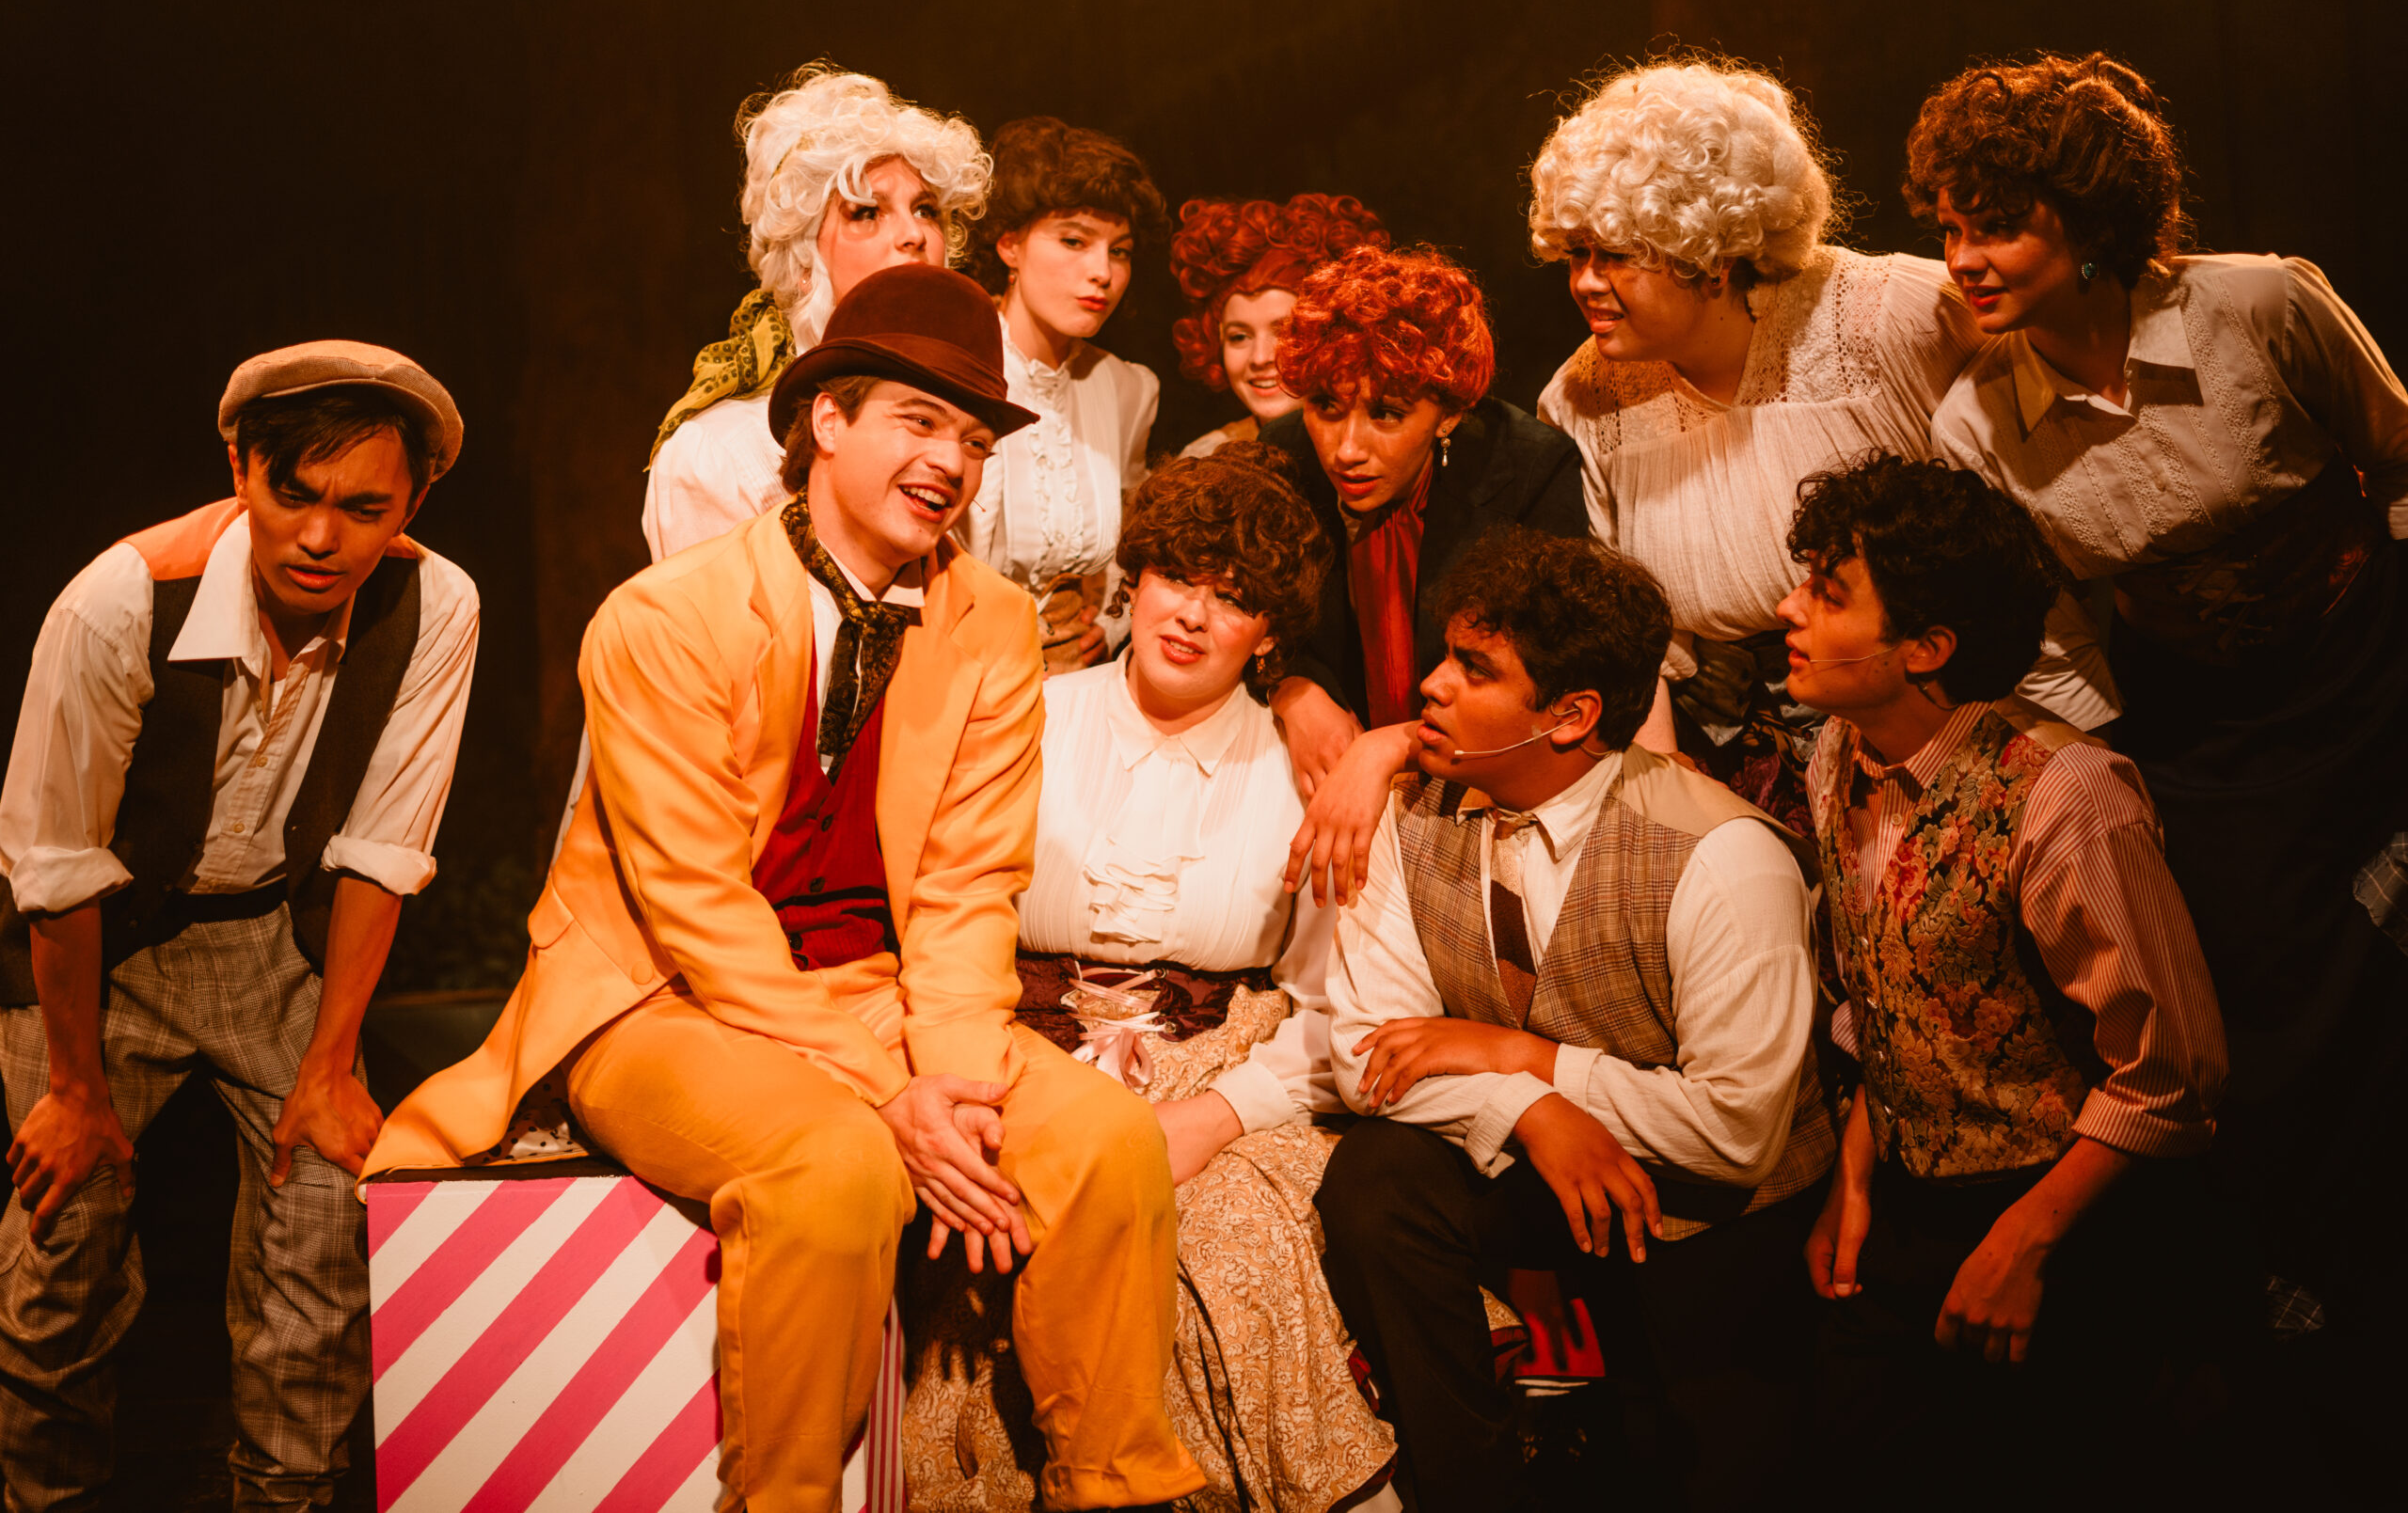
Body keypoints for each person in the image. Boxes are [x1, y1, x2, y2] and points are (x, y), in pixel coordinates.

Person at [365, 266, 1203, 1513]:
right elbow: (697, 908)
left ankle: (1117, 1490)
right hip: (660, 1000)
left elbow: (970, 884)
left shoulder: (988, 625)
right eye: (918, 422)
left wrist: (951, 1080)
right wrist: (889, 1094)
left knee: (1110, 1143)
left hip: (881, 993)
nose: (950, 462)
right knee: (835, 1165)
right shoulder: (664, 616)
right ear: (828, 420)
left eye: (974, 441)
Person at [1909, 52, 2408, 1382]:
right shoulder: (1976, 417)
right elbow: (2052, 630)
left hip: (2372, 659)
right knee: (2255, 972)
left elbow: (2396, 452)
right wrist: (2115, 756)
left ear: (2090, 221)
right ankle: (2319, 1266)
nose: (1963, 259)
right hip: (2197, 720)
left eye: (1996, 226)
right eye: (1948, 228)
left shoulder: (2260, 303)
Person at [0, 343, 480, 1510]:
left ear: (412, 504)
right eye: (293, 494)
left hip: (273, 938)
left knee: (322, 1226)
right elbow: (56, 866)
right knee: (62, 1246)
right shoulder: (121, 598)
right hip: (103, 945)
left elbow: (381, 849)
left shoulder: (435, 604)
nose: (320, 538)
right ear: (239, 470)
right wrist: (73, 1088)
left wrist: (330, 1069)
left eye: (363, 509)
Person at [906, 450, 1396, 1512]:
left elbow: (1336, 1005)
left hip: (1217, 1074)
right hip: (1011, 1057)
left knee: (1216, 1241)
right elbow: (935, 920)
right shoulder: (1025, 715)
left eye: (1234, 597)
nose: (1192, 615)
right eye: (1178, 577)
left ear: (1269, 633)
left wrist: (1213, 1117)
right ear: (1137, 579)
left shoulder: (1305, 771)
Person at [1315, 528, 1835, 1512]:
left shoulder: (1721, 856)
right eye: (1446, 656)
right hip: (1535, 1165)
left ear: (1570, 716)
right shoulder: (1407, 811)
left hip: (1708, 1208)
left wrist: (1530, 1058)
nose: (1429, 685)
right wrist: (1529, 1109)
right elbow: (1364, 1057)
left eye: (1474, 669)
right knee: (1376, 1180)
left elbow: (1734, 1131)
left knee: (1699, 1465)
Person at [1775, 453, 2226, 1487]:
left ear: (1927, 647)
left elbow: (2173, 1072)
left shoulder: (2066, 796)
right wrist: (1855, 1184)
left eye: (1828, 593)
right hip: (1910, 1201)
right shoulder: (1834, 752)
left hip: (2064, 1212)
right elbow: (1885, 999)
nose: (1787, 609)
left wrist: (2026, 1242)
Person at [1525, 57, 2106, 837]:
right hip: (1731, 763)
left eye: (1618, 255)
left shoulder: (1893, 318)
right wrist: (1666, 787)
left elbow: (2039, 516)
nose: (1586, 282)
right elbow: (1624, 628)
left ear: (1711, 254)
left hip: (1965, 723)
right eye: (1575, 254)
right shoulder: (1582, 401)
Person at [1259, 244, 1587, 908]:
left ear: (1451, 411)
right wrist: (1293, 688)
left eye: (1386, 413)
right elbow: (1252, 613)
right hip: (1327, 788)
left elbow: (1540, 680)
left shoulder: (1529, 466)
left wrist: (1392, 747)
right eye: (1326, 406)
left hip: (1490, 791)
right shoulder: (1285, 452)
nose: (1347, 449)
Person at [643, 63, 991, 560]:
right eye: (867, 212)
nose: (914, 234)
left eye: (926, 210)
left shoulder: (959, 429)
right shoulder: (718, 455)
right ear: (803, 262)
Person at [958, 117, 1168, 674]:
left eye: (1120, 251)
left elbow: (1131, 547)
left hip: (1077, 682)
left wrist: (1113, 623)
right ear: (1010, 243)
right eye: (1073, 241)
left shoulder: (1125, 388)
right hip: (961, 677)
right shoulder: (956, 366)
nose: (1102, 272)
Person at [1166, 193, 1388, 458]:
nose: (1260, 358)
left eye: (1285, 332)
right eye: (1239, 337)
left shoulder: (1376, 455)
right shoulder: (1203, 460)